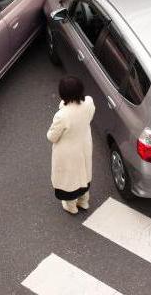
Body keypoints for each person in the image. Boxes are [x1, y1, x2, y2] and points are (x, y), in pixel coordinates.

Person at [46, 76, 95, 214]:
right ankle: (84, 201)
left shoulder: (62, 115)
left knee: (70, 180)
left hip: (67, 153)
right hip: (84, 144)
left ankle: (71, 206)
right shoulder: (89, 102)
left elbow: (51, 137)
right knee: (84, 174)